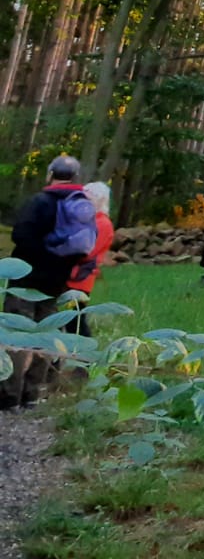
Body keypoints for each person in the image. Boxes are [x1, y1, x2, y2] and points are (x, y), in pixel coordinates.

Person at [4, 155, 94, 409]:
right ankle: (32, 394)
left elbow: (20, 234)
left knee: (18, 335)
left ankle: (9, 395)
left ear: (50, 174)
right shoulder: (82, 206)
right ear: (76, 177)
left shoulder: (40, 201)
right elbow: (85, 246)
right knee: (46, 335)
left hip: (25, 279)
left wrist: (38, 257)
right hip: (57, 282)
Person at [65, 182, 116, 332]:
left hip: (80, 279)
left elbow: (86, 251)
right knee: (69, 320)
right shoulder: (88, 221)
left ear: (99, 200)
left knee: (75, 321)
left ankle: (84, 352)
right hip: (70, 276)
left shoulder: (102, 224)